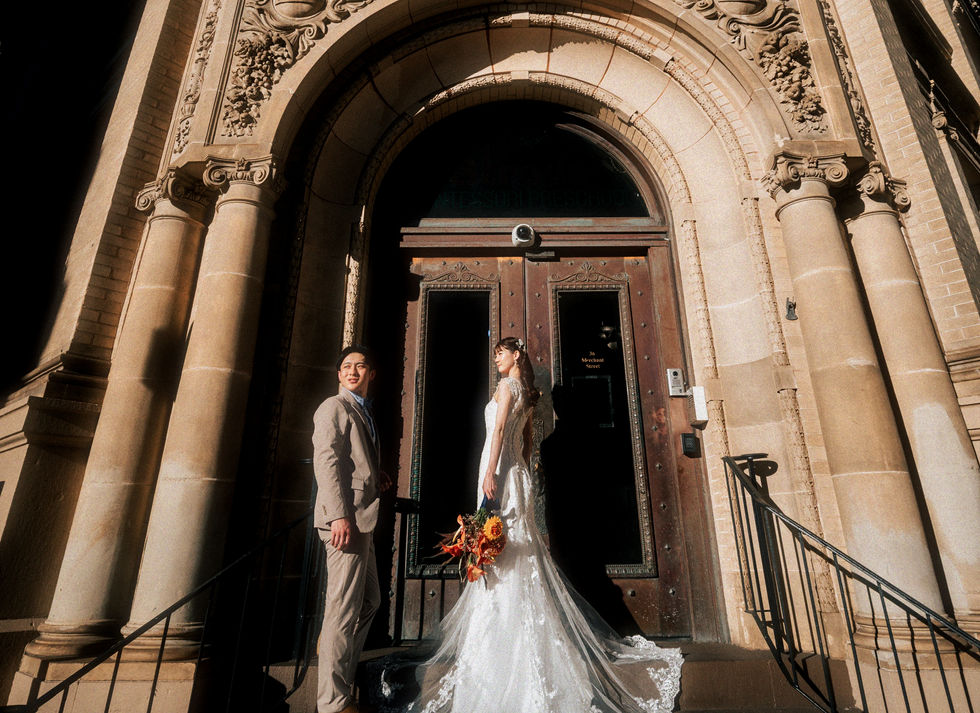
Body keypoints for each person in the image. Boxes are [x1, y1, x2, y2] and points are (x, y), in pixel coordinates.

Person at [376, 337, 683, 713]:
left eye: (501, 354)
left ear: (516, 355)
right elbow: (524, 442)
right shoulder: (526, 390)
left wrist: (491, 472)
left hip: (500, 473)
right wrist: (518, 471)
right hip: (515, 474)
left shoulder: (508, 386)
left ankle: (503, 637)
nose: (497, 359)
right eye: (495, 355)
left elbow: (499, 430)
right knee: (509, 549)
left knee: (501, 550)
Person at [313, 345, 389, 713]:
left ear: (371, 373)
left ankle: (333, 652)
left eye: (360, 366)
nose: (352, 371)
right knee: (342, 612)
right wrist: (338, 516)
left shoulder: (362, 409)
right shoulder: (334, 407)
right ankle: (333, 702)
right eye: (346, 366)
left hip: (362, 519)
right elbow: (327, 461)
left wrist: (377, 476)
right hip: (345, 523)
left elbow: (353, 462)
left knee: (370, 602)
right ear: (338, 374)